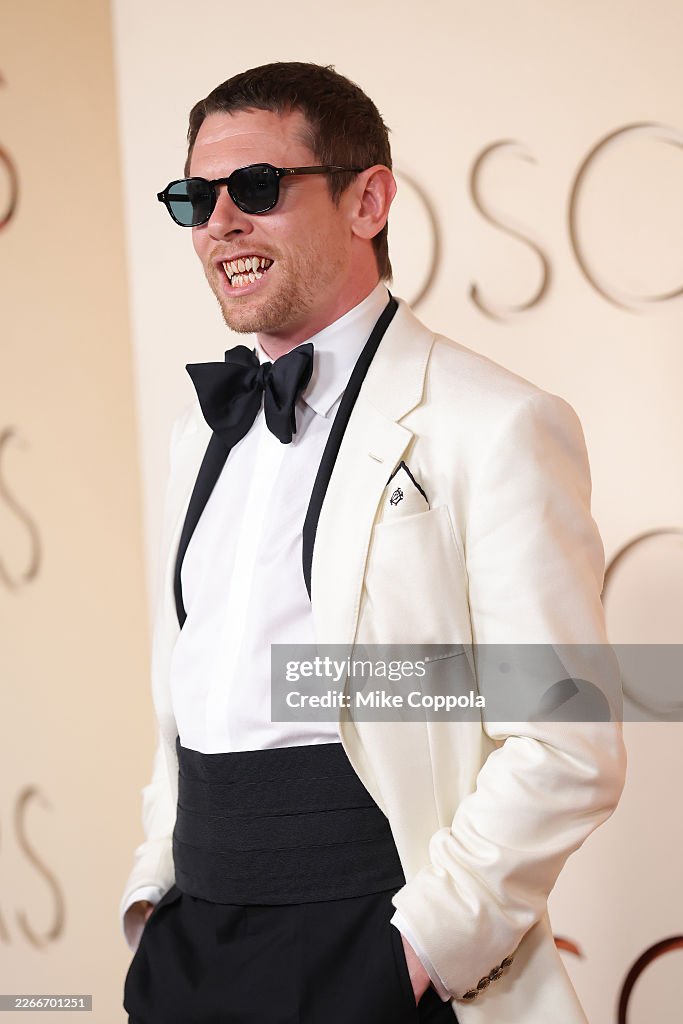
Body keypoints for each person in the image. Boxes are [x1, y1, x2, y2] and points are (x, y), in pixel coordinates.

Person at [120, 61, 626, 1024]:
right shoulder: (201, 432)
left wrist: (416, 951)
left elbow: (565, 736)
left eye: (257, 188)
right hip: (191, 944)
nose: (219, 222)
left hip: (372, 943)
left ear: (369, 199)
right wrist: (154, 897)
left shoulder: (496, 422)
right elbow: (190, 692)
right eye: (196, 196)